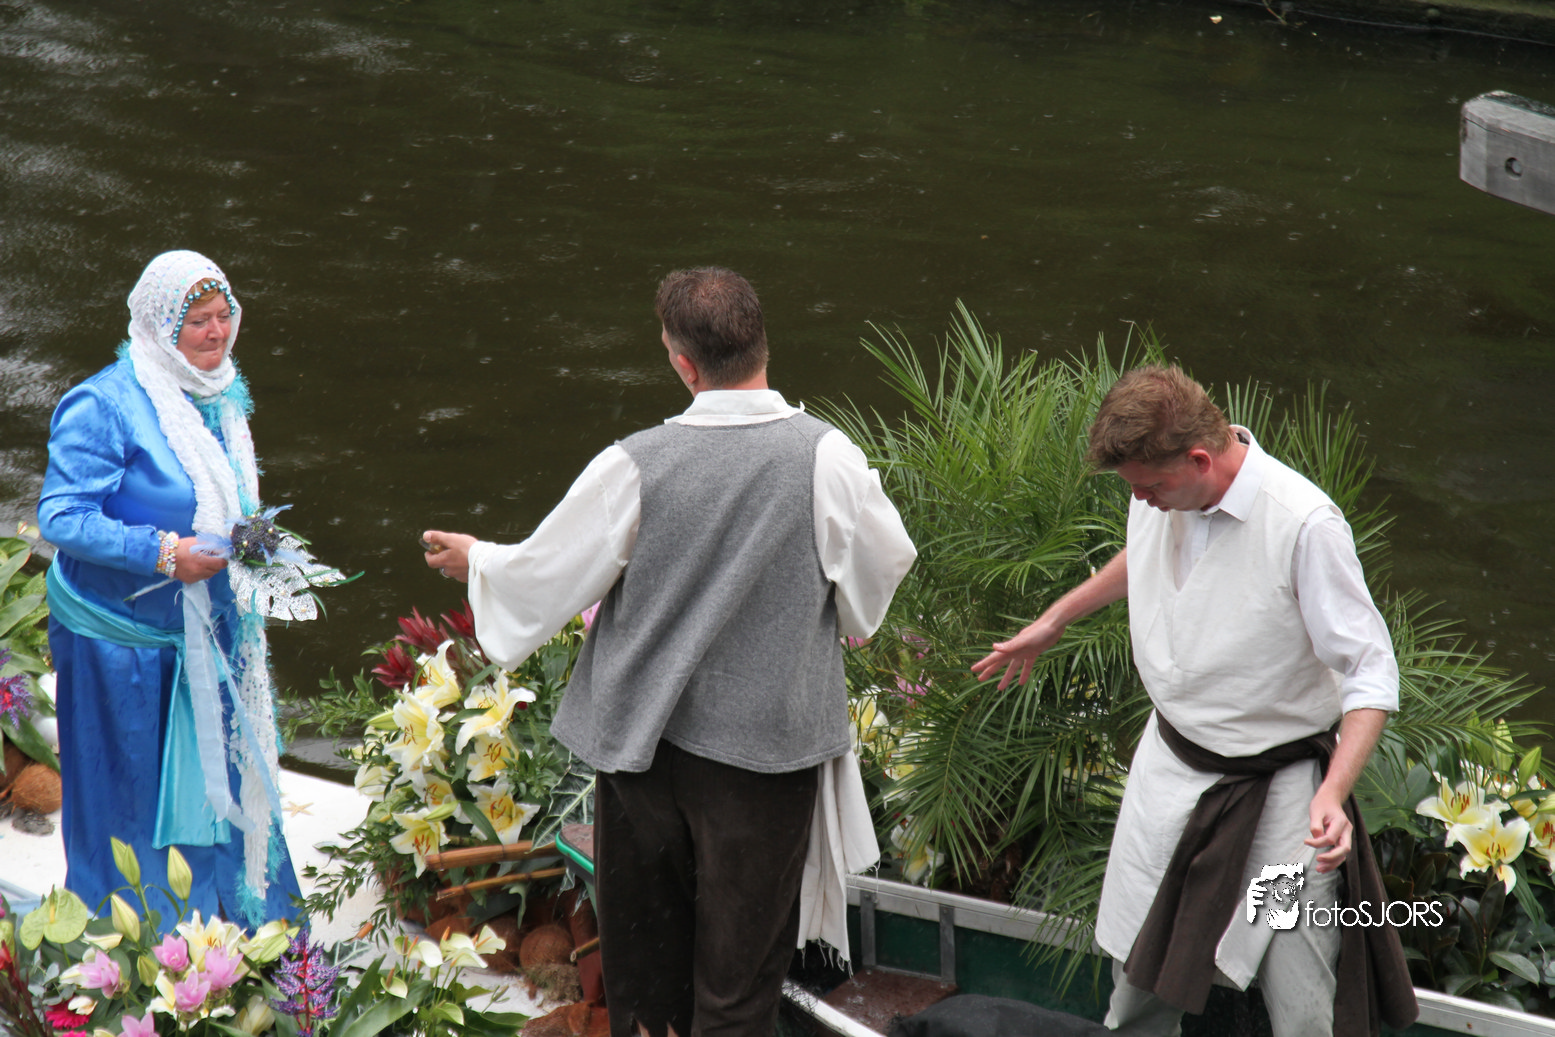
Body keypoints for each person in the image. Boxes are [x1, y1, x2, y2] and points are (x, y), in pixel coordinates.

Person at [423, 267, 916, 1037]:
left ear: (684, 364)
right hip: (765, 761)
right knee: (738, 989)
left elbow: (547, 572)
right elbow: (883, 564)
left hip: (644, 758)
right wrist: (835, 609)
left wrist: (476, 559)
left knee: (647, 980)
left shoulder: (633, 463)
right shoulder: (828, 459)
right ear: (761, 344)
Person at [972, 364, 1416, 1037]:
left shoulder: (1302, 525)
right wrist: (1057, 617)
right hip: (1169, 777)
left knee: (1300, 996)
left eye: (1149, 487)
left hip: (1280, 808)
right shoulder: (1162, 493)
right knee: (1139, 980)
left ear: (1200, 460)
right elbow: (1144, 553)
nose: (1140, 500)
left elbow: (1370, 671)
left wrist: (1332, 792)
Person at [39, 250, 301, 929]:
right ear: (161, 326)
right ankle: (143, 940)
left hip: (206, 628)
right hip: (120, 644)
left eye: (224, 315)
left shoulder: (218, 393)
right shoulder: (103, 405)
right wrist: (162, 553)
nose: (217, 333)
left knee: (228, 786)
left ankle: (240, 927)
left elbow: (224, 498)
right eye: (198, 321)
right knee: (130, 799)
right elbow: (61, 517)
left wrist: (255, 544)